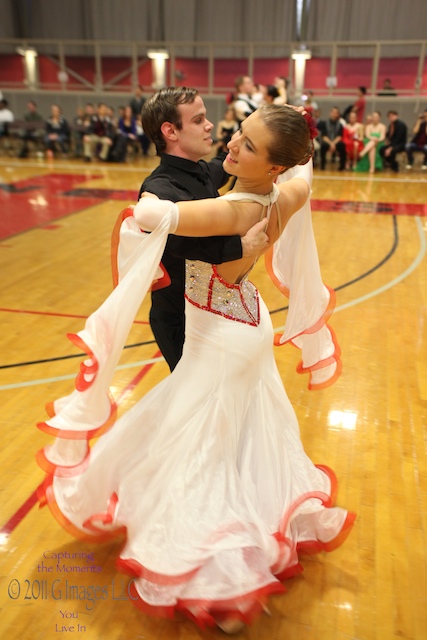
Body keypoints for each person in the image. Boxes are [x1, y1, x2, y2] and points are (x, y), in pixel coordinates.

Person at [37, 104, 354, 635]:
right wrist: (298, 140)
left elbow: (159, 217)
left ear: (273, 166)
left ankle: (223, 574)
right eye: (239, 133)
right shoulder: (289, 192)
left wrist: (148, 201)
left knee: (200, 446)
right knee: (232, 432)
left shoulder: (234, 210)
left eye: (248, 145)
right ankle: (241, 519)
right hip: (248, 320)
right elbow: (304, 172)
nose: (231, 143)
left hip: (218, 334)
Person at [138, 86, 268, 371]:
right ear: (171, 131)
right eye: (198, 120)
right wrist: (241, 246)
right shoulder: (160, 189)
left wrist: (274, 122)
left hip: (209, 311)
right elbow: (183, 244)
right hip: (181, 321)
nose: (209, 125)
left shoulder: (200, 171)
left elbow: (225, 163)